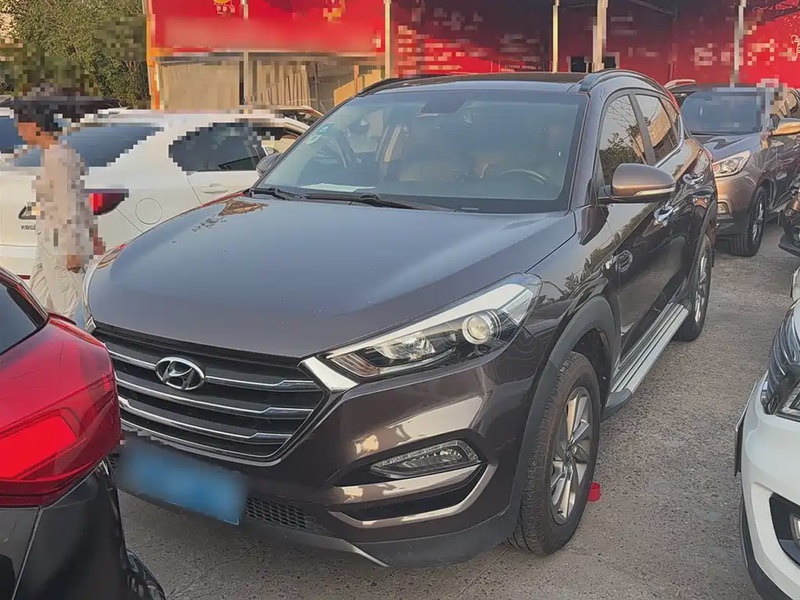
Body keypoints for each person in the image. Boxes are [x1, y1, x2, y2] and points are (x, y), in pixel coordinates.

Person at [13, 94, 104, 320]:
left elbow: (71, 202)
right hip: (47, 241)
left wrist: (74, 249)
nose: (19, 131)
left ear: (34, 125)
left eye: (21, 126)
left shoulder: (59, 157)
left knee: (70, 308)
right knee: (39, 300)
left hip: (62, 244)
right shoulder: (51, 155)